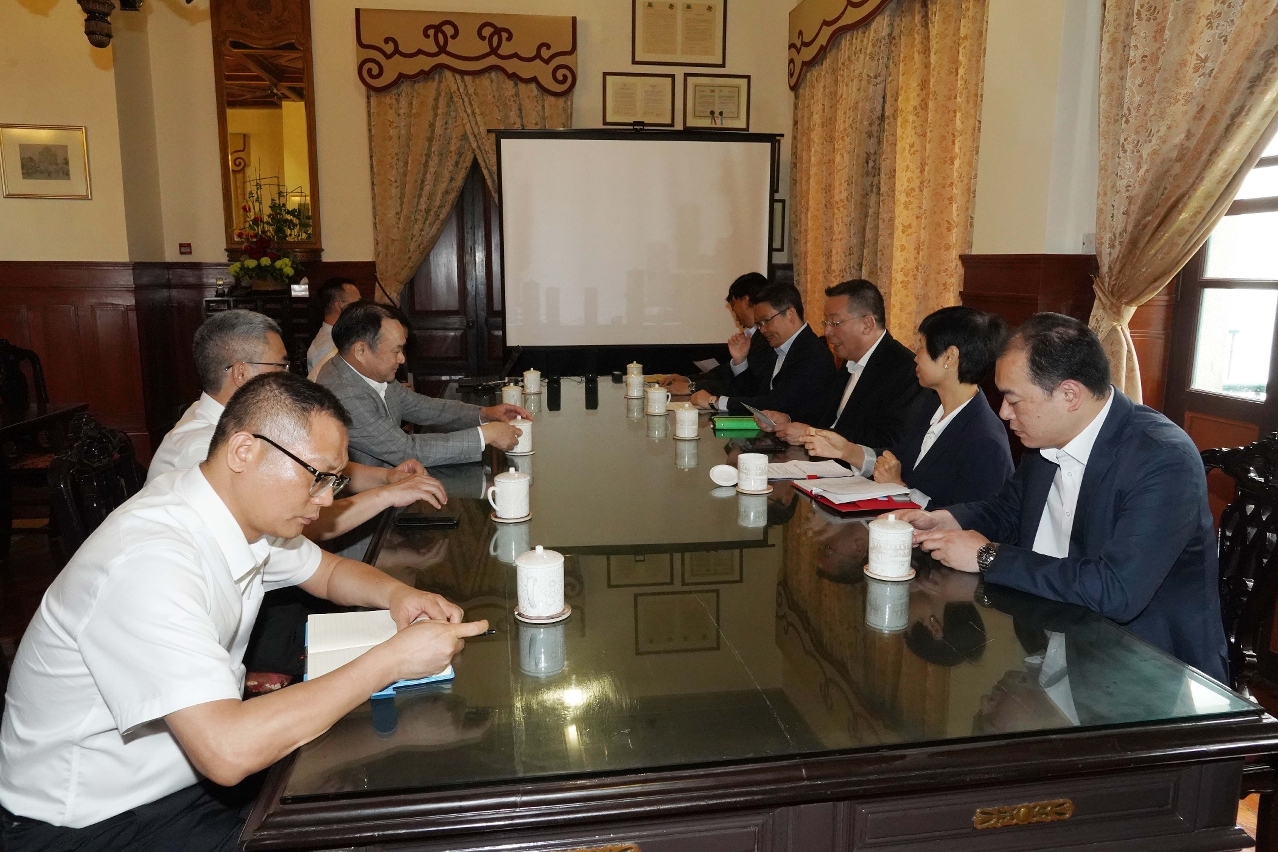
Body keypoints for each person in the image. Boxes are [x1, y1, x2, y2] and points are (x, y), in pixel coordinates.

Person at [0, 373, 488, 851]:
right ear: (243, 451)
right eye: (317, 477)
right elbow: (228, 752)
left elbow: (329, 573)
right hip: (92, 819)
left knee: (381, 796)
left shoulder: (231, 509)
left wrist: (399, 595)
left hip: (184, 773)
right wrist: (391, 661)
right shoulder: (148, 562)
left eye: (334, 481)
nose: (325, 500)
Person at [901, 312, 1228, 682]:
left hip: (1144, 667)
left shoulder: (1162, 459)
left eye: (1012, 398)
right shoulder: (1046, 437)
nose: (1003, 412)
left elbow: (1117, 590)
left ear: (1069, 395)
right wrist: (946, 519)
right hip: (1050, 631)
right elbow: (1008, 510)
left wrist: (988, 556)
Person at [148, 309, 446, 543]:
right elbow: (299, 524)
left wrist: (387, 477)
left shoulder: (245, 419)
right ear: (241, 373)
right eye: (280, 366)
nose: (288, 377)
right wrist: (387, 494)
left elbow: (313, 469)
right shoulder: (203, 448)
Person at [800, 305, 1014, 508]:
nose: (915, 357)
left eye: (921, 347)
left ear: (949, 357)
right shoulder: (932, 405)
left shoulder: (984, 440)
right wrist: (847, 451)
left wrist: (899, 488)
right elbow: (897, 460)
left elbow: (971, 521)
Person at [316, 302, 530, 467]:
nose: (402, 359)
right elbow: (407, 451)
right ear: (361, 350)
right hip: (371, 500)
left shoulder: (369, 371)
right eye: (396, 351)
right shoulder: (344, 394)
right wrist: (485, 435)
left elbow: (421, 406)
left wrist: (484, 414)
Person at [763, 280, 927, 452]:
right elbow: (830, 419)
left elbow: (887, 440)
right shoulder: (849, 359)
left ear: (867, 324)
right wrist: (788, 420)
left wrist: (813, 434)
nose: (827, 332)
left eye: (835, 323)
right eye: (826, 323)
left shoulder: (905, 370)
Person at [689, 283, 835, 425]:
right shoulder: (777, 348)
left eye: (766, 321)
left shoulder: (813, 354)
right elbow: (754, 394)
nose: (762, 330)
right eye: (759, 324)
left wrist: (715, 402)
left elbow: (775, 404)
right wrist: (740, 361)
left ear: (790, 314)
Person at [661, 272, 774, 397]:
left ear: (745, 300)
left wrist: (692, 387)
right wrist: (688, 380)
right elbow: (727, 371)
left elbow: (746, 386)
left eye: (733, 304)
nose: (733, 311)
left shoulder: (767, 338)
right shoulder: (753, 335)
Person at [308, 277, 362, 377]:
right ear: (340, 306)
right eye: (357, 304)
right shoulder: (327, 347)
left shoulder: (342, 337)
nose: (361, 309)